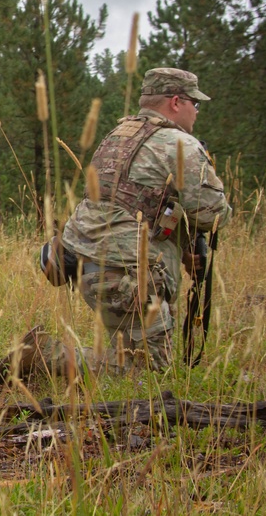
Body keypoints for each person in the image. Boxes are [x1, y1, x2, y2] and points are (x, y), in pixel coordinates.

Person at [34, 68, 232, 375]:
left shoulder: (119, 135)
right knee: (147, 371)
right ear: (176, 102)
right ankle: (43, 356)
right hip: (123, 275)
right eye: (195, 103)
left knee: (140, 356)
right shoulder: (179, 144)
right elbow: (212, 213)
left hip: (90, 264)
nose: (196, 112)